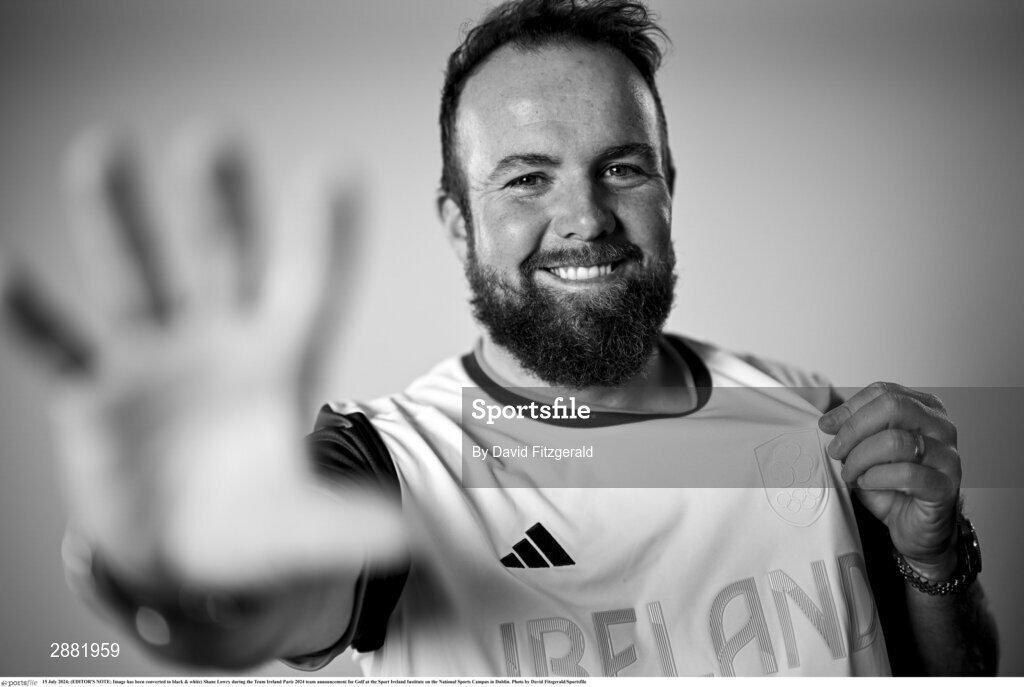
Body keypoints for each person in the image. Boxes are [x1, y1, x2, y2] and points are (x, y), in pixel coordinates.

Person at [0, 0, 998, 677]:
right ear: (456, 225)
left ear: (668, 191)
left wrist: (930, 556)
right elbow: (265, 598)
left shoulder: (815, 414)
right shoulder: (387, 467)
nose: (584, 219)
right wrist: (179, 569)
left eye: (622, 168)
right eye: (525, 177)